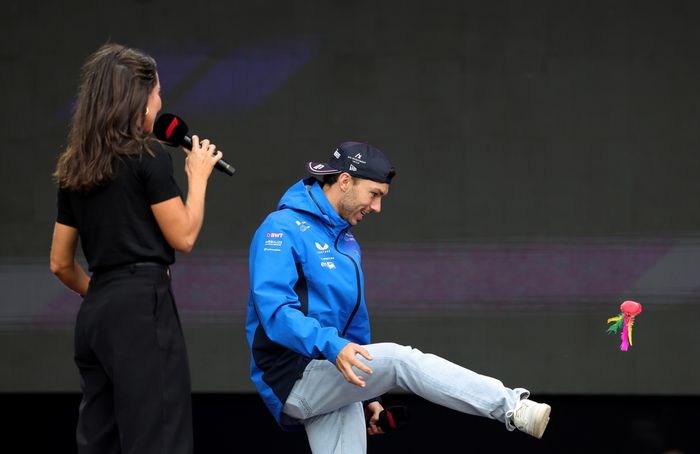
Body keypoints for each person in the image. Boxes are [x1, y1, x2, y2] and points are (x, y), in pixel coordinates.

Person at [246, 141, 551, 453]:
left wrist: (368, 395)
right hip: (293, 374)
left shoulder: (345, 241)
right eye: (374, 194)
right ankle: (511, 407)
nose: (377, 207)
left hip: (335, 369)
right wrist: (334, 347)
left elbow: (354, 323)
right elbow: (276, 312)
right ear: (345, 181)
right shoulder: (280, 228)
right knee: (399, 360)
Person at [49, 43, 223, 454]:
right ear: (140, 99)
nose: (160, 102)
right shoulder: (148, 155)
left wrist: (102, 294)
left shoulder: (75, 166)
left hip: (96, 314)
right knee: (157, 438)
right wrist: (198, 177)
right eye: (158, 92)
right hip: (142, 306)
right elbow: (184, 236)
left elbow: (60, 264)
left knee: (101, 441)